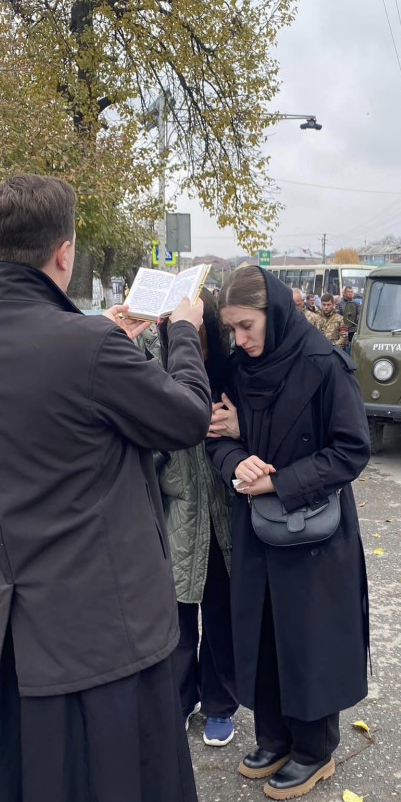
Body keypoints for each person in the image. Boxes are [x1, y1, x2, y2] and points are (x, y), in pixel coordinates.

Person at [0, 174, 213, 802]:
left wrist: (104, 330)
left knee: (44, 774)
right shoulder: (90, 350)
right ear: (64, 253)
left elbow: (41, 410)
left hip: (19, 607)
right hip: (103, 611)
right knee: (112, 778)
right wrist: (184, 333)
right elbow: (185, 418)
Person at [206, 265, 370, 801]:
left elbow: (351, 450)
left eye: (247, 326)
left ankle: (314, 749)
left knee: (310, 636)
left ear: (274, 314)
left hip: (313, 526)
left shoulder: (324, 363)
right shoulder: (237, 366)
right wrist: (236, 459)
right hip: (257, 525)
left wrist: (275, 480)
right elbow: (217, 437)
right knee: (262, 630)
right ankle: (274, 736)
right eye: (232, 328)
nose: (241, 339)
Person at [141, 290, 238, 746]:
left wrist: (238, 428)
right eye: (183, 332)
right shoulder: (153, 376)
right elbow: (140, 449)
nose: (192, 343)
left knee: (221, 618)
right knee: (177, 621)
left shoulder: (230, 374)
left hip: (223, 518)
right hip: (175, 515)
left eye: (200, 332)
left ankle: (220, 704)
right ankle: (180, 701)